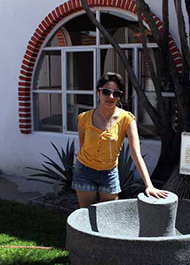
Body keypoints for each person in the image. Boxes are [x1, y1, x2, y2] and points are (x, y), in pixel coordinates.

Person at [72, 72, 168, 208]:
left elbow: (136, 155)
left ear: (120, 96)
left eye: (116, 93)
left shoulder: (127, 119)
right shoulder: (84, 118)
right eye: (106, 91)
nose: (110, 96)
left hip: (109, 173)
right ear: (98, 92)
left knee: (109, 216)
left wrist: (149, 185)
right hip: (84, 171)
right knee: (85, 215)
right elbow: (83, 146)